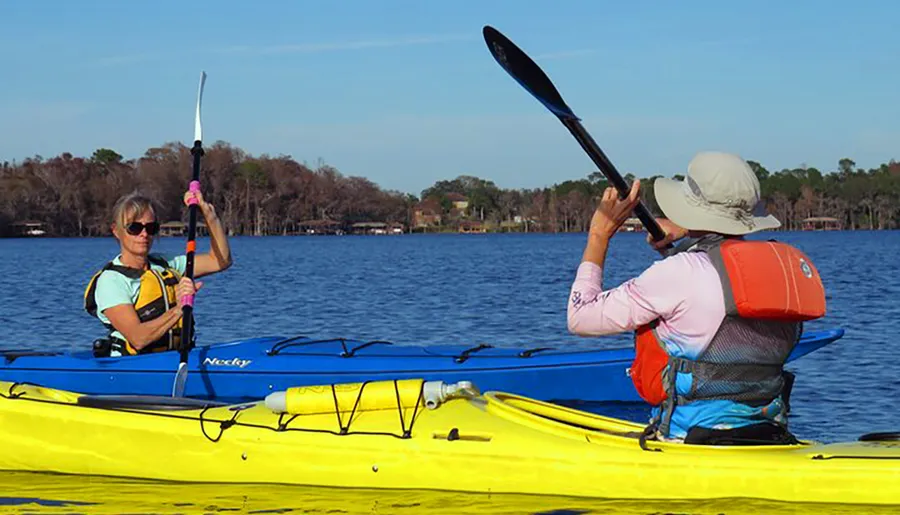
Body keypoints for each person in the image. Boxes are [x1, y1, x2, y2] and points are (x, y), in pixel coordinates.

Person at [567, 151, 826, 445]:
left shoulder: (679, 272)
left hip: (688, 440)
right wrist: (687, 233)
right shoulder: (779, 270)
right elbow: (715, 274)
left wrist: (599, 235)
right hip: (768, 435)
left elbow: (580, 317)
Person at [84, 189, 232, 357]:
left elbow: (220, 261)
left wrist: (207, 213)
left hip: (172, 359)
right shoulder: (111, 281)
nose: (144, 234)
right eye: (134, 228)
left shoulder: (165, 265)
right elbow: (138, 338)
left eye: (151, 227)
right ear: (116, 231)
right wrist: (179, 308)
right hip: (131, 366)